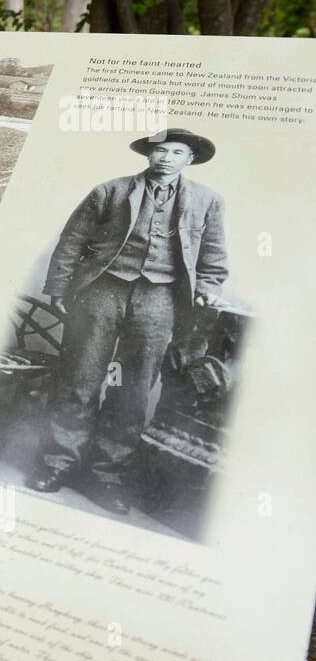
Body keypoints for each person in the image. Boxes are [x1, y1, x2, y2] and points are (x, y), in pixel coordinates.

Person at [29, 129, 227, 515]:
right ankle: (58, 464)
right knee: (80, 378)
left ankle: (105, 475)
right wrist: (58, 286)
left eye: (176, 152)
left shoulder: (208, 201)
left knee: (133, 386)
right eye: (161, 151)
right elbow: (72, 240)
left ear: (190, 159)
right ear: (149, 155)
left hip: (160, 300)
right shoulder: (110, 191)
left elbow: (214, 255)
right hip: (102, 292)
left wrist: (209, 286)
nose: (166, 158)